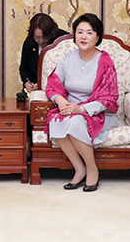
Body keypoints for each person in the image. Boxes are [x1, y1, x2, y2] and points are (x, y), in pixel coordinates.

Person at [45, 13, 118, 193]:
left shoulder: (104, 62)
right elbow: (53, 83)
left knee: (76, 120)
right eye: (80, 32)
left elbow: (109, 97)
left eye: (89, 32)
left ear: (98, 36)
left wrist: (81, 108)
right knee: (57, 120)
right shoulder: (68, 58)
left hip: (97, 112)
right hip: (71, 109)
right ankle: (79, 169)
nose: (84, 37)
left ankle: (92, 169)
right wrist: (61, 101)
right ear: (74, 35)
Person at [20, 13, 68, 94]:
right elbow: (24, 68)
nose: (41, 41)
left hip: (60, 89)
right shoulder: (30, 42)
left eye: (45, 37)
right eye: (37, 38)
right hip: (36, 88)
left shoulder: (63, 40)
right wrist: (27, 83)